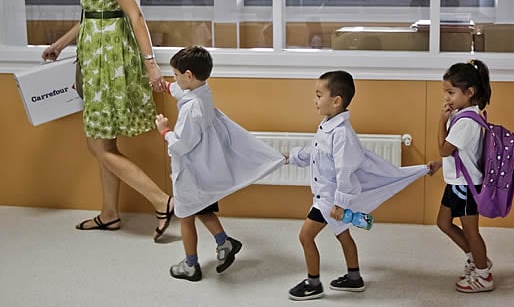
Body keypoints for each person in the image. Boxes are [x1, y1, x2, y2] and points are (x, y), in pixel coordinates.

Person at [41, 0, 173, 240]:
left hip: (110, 70)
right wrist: (59, 44)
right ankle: (110, 214)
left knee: (99, 147)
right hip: (98, 67)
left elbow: (135, 16)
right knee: (106, 143)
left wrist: (151, 64)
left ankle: (162, 200)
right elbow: (91, 17)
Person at [286, 70, 428, 300]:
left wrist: (340, 204)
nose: (315, 99)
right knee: (343, 235)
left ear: (336, 101)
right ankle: (354, 278)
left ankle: (313, 283)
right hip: (324, 196)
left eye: (318, 94)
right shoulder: (326, 125)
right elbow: (314, 152)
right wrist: (292, 157)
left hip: (329, 200)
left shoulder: (342, 135)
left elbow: (345, 172)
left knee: (305, 237)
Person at [155, 46, 285, 281]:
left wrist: (164, 131)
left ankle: (190, 265)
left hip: (191, 171)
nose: (173, 79)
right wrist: (165, 86)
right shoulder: (202, 91)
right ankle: (224, 243)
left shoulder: (191, 110)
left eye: (175, 75)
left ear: (188, 75)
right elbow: (181, 92)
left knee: (185, 217)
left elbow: (182, 144)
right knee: (202, 207)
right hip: (203, 169)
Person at [427, 59, 494, 293]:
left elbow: (445, 149)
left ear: (470, 92)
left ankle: (484, 274)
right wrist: (439, 164)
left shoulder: (466, 121)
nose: (446, 97)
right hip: (457, 183)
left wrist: (441, 122)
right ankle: (475, 259)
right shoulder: (464, 114)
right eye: (445, 91)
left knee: (471, 231)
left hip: (465, 186)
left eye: (451, 92)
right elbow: (460, 153)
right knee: (443, 223)